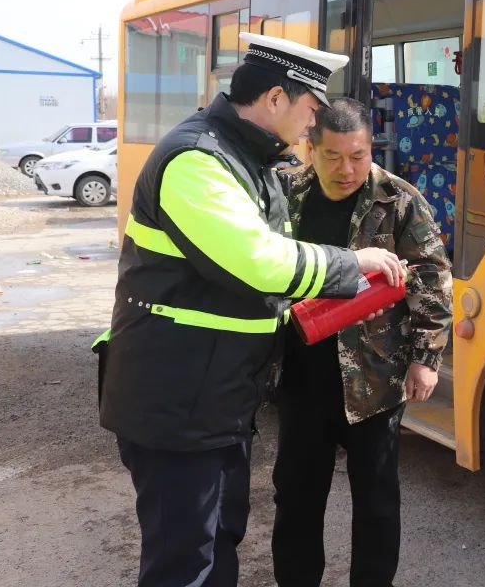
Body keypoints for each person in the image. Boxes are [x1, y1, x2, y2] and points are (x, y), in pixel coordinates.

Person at [95, 33, 403, 587]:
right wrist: (352, 265)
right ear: (277, 99)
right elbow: (261, 263)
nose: (314, 124)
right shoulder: (197, 160)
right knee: (182, 562)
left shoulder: (248, 159)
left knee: (215, 546)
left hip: (213, 399)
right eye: (311, 108)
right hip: (177, 402)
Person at [271, 97, 453, 587]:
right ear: (312, 151)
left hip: (375, 378)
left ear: (371, 149)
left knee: (375, 502)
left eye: (358, 156)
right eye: (333, 156)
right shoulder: (288, 195)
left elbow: (433, 278)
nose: (347, 169)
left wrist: (426, 358)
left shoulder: (398, 200)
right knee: (296, 497)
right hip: (302, 376)